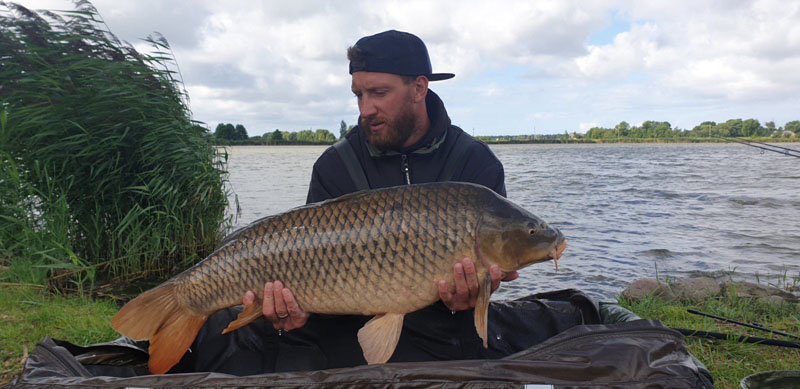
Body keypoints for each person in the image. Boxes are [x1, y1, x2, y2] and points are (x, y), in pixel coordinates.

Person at [243, 29, 518, 341]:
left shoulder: (475, 163)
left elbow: (494, 265)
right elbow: (309, 269)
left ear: (418, 88)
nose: (365, 110)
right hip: (348, 336)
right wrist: (293, 310)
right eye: (359, 95)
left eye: (379, 93)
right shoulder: (335, 166)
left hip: (449, 335)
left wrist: (472, 297)